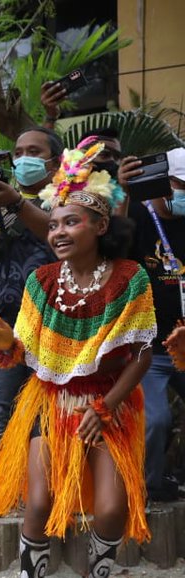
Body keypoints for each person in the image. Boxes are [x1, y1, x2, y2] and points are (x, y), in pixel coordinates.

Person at [0, 145, 154, 578]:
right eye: (52, 225)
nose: (57, 232)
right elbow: (27, 350)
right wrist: (7, 344)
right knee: (38, 504)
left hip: (109, 404)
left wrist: (107, 407)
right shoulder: (41, 281)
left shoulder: (129, 277)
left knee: (112, 510)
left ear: (99, 225)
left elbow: (142, 352)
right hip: (51, 403)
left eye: (70, 222)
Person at [0, 127, 62, 465]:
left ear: (55, 162)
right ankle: (1, 489)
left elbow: (56, 233)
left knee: (50, 412)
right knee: (0, 415)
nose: (23, 159)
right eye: (18, 153)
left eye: (34, 152)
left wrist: (17, 203)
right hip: (3, 320)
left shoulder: (67, 196)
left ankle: (47, 487)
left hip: (57, 321)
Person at [118, 147, 185, 500]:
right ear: (161, 182)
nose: (182, 193)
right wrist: (121, 193)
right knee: (155, 420)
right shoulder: (136, 215)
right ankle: (145, 487)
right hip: (150, 348)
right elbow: (111, 251)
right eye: (179, 184)